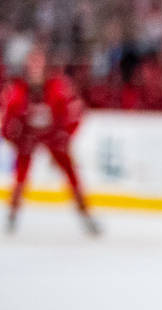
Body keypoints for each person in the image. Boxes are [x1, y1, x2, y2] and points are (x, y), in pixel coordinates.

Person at [1, 45, 99, 235]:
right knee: (20, 178)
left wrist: (65, 136)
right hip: (27, 139)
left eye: (39, 65)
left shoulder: (58, 88)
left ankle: (86, 215)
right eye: (32, 66)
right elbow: (6, 122)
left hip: (54, 138)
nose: (35, 71)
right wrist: (16, 138)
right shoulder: (17, 91)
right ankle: (12, 215)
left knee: (72, 175)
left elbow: (76, 113)